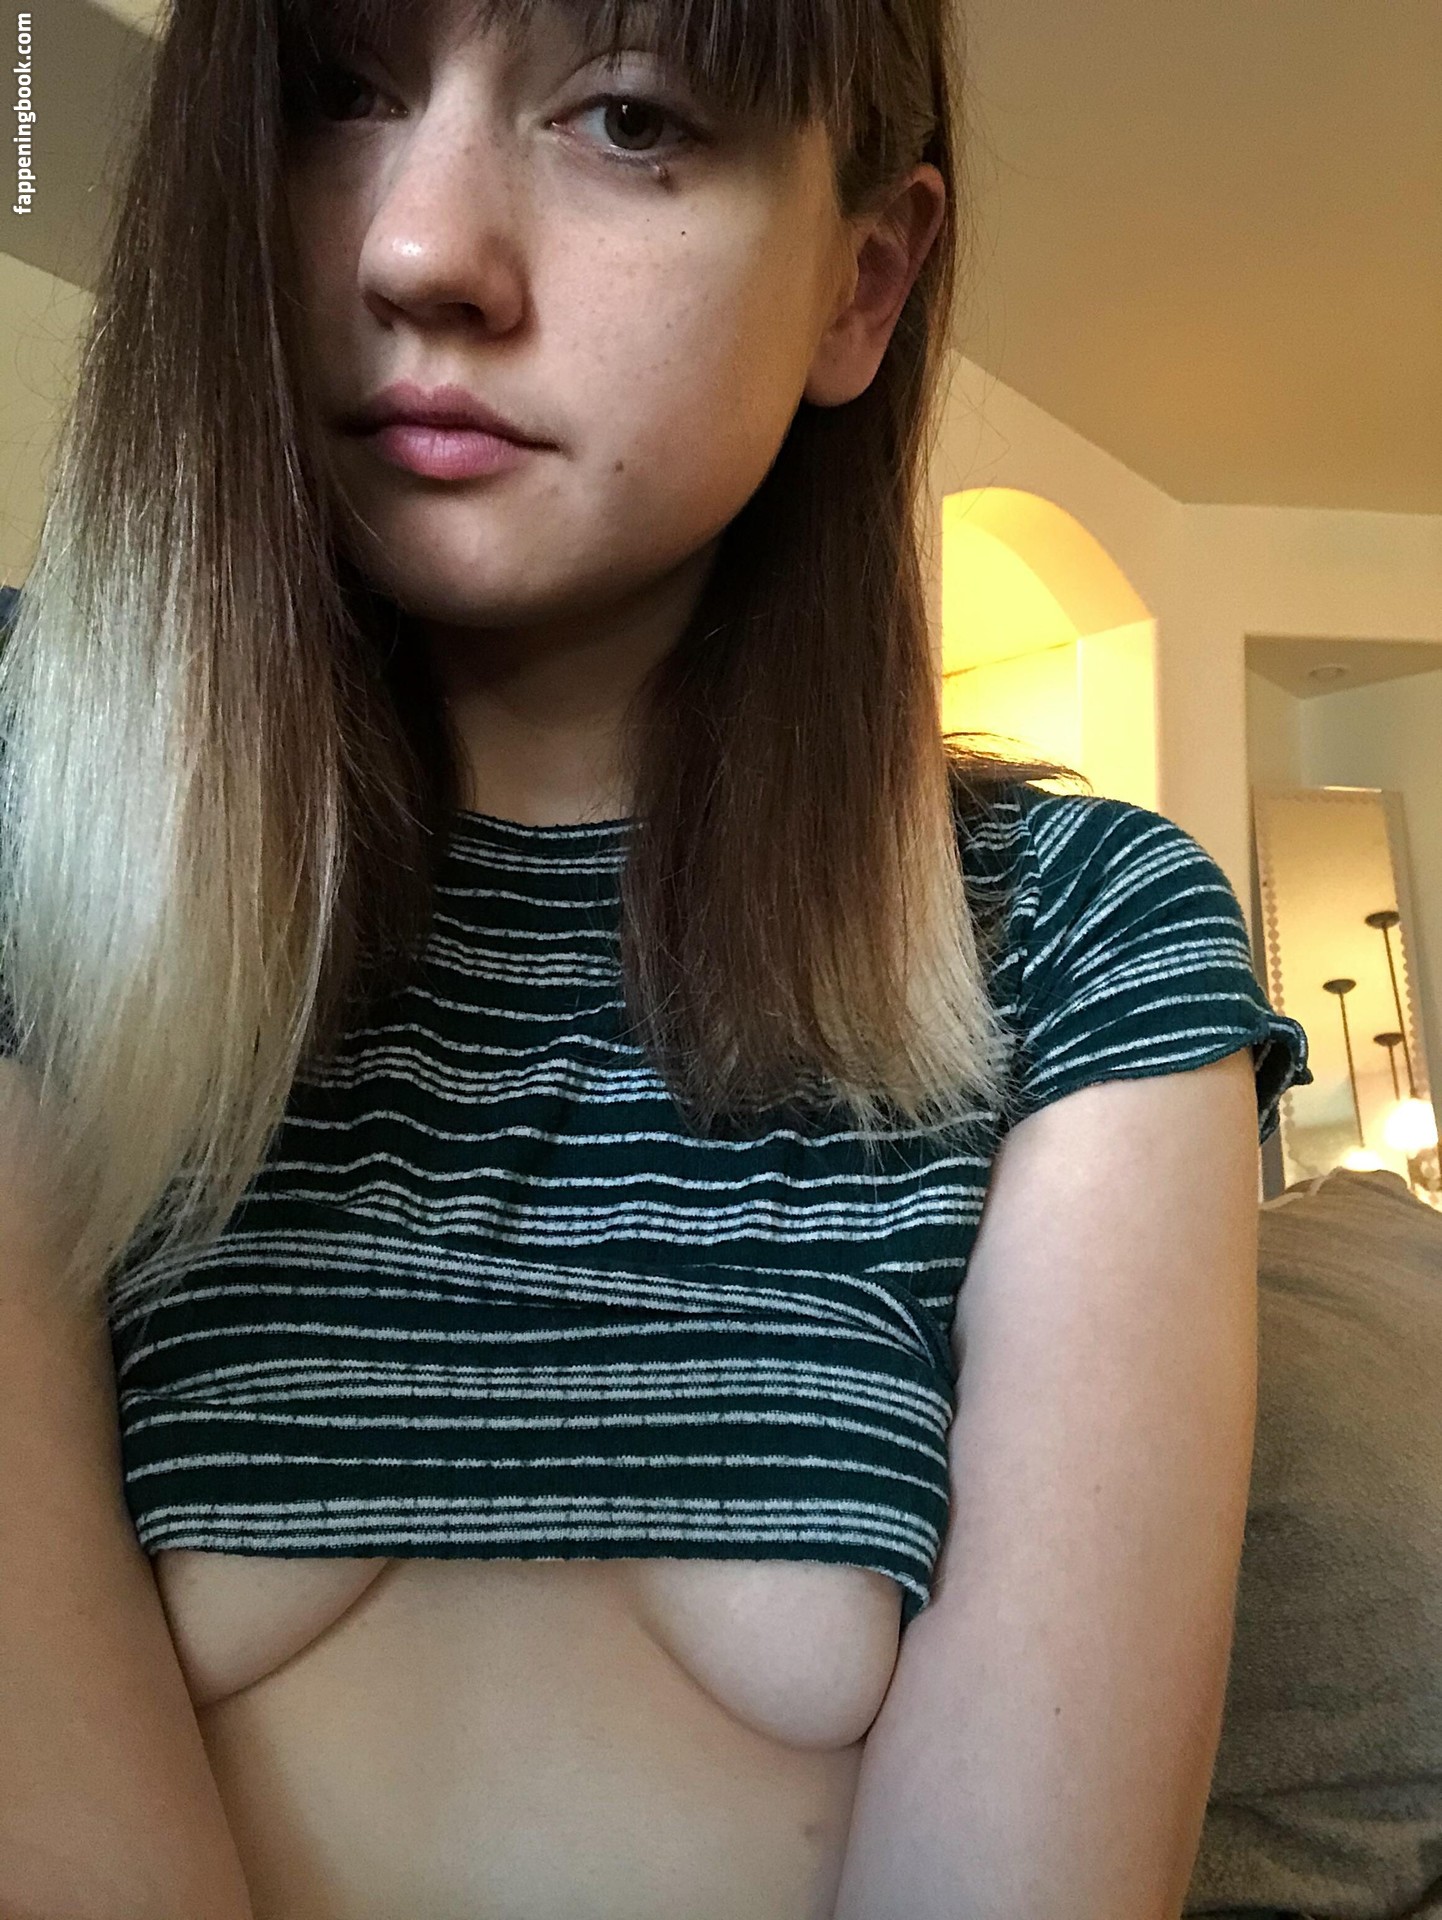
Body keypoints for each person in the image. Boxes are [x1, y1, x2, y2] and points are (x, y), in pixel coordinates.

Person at [0, 0, 1308, 1915]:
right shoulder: (29, 813)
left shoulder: (1076, 939)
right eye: (338, 93)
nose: (418, 249)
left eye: (626, 118)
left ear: (861, 285)